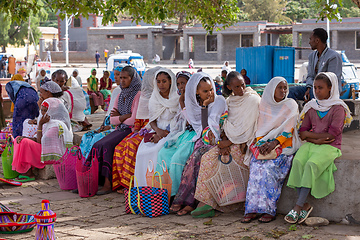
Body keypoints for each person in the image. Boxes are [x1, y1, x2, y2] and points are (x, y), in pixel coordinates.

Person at [285, 72, 352, 224]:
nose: (316, 91)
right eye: (315, 87)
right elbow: (302, 132)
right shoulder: (311, 106)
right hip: (312, 144)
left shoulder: (339, 108)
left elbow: (333, 135)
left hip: (331, 147)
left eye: (320, 88)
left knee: (311, 164)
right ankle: (305, 205)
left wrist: (311, 136)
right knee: (297, 162)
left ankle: (297, 206)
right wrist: (318, 138)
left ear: (331, 88)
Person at [193, 71, 261, 215]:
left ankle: (214, 204)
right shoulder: (229, 101)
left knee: (218, 160)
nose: (241, 90)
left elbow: (249, 129)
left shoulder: (253, 100)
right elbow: (225, 124)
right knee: (207, 158)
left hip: (244, 144)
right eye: (236, 87)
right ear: (229, 87)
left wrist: (229, 143)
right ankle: (206, 202)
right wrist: (224, 141)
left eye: (243, 85)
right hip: (230, 141)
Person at [242, 76, 301, 224]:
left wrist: (274, 143)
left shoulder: (290, 105)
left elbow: (289, 130)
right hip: (265, 145)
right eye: (279, 88)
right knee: (255, 167)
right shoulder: (264, 105)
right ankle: (252, 209)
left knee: (269, 169)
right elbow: (260, 128)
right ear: (271, 90)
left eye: (284, 88)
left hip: (284, 147)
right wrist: (262, 143)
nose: (283, 91)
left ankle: (268, 210)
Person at [170, 72, 227, 216]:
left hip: (218, 140)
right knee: (192, 159)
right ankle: (187, 200)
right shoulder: (194, 105)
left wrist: (206, 106)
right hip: (203, 139)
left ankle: (188, 202)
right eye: (205, 91)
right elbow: (202, 130)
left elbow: (211, 128)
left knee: (196, 158)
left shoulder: (219, 101)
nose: (209, 93)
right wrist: (204, 107)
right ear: (196, 91)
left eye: (211, 90)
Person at [86, 66, 142, 195]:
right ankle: (91, 180)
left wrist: (120, 117)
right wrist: (123, 117)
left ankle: (108, 183)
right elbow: (112, 119)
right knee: (97, 144)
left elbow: (134, 120)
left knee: (107, 145)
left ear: (132, 79)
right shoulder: (121, 94)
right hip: (120, 128)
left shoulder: (138, 95)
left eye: (125, 78)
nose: (122, 81)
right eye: (120, 78)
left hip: (131, 130)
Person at [112, 67, 160, 192]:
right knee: (119, 148)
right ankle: (123, 183)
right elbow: (138, 118)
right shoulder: (144, 96)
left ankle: (131, 184)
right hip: (142, 129)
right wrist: (136, 130)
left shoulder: (163, 96)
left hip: (158, 129)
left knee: (131, 145)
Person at [134, 68, 179, 187]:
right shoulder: (154, 97)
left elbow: (178, 120)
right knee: (141, 151)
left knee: (156, 151)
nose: (161, 85)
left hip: (173, 131)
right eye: (158, 81)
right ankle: (143, 187)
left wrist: (165, 133)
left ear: (171, 81)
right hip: (157, 130)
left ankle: (157, 187)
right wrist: (158, 132)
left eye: (164, 81)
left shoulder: (177, 98)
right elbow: (152, 120)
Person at [12, 98, 72, 180]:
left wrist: (40, 124)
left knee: (25, 142)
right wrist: (25, 137)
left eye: (45, 110)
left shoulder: (56, 125)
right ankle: (23, 169)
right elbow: (38, 138)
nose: (42, 113)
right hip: (43, 148)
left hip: (51, 155)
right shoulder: (48, 122)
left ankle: (29, 174)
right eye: (42, 110)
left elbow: (40, 141)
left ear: (52, 111)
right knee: (18, 139)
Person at [155, 71, 193, 197]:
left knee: (177, 158)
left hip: (194, 135)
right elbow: (178, 123)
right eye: (178, 84)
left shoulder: (196, 99)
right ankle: (160, 191)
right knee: (163, 153)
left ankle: (174, 194)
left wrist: (182, 102)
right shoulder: (181, 99)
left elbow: (193, 122)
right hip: (182, 134)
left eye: (183, 83)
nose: (181, 86)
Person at [80, 66, 123, 159]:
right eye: (115, 74)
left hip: (117, 126)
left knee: (96, 138)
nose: (115, 77)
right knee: (87, 135)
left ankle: (90, 164)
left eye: (118, 75)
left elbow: (125, 117)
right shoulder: (117, 90)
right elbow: (110, 112)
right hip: (109, 122)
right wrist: (103, 125)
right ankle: (85, 163)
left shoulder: (125, 92)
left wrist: (110, 126)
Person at [288, 28, 342, 102]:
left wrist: (314, 89)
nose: (309, 42)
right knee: (290, 91)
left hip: (327, 91)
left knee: (315, 94)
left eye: (310, 39)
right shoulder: (312, 56)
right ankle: (292, 112)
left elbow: (332, 80)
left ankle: (309, 110)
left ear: (317, 40)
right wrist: (309, 88)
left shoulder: (333, 56)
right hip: (313, 88)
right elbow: (310, 76)